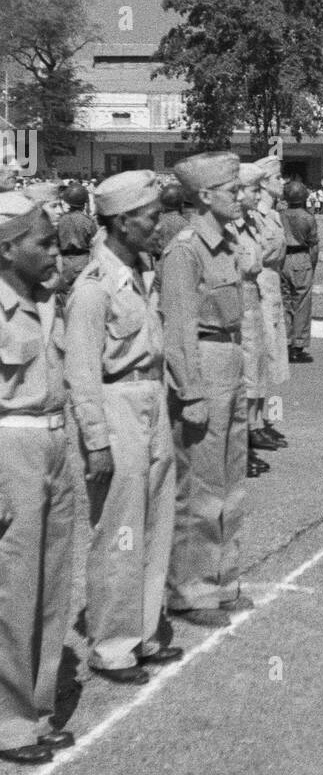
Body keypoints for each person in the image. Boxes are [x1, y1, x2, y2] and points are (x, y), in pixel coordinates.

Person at [64, 171, 181, 684]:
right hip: (115, 404)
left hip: (151, 398)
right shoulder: (92, 289)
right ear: (121, 220)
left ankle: (146, 631)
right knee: (121, 531)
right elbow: (82, 374)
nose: (158, 226)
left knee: (156, 523)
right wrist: (95, 441)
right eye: (150, 217)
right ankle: (112, 645)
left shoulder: (143, 274)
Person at [0, 192, 75, 764]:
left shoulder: (48, 299)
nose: (55, 250)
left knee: (50, 585)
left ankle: (36, 707)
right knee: (12, 589)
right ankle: (8, 721)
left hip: (53, 438)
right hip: (11, 446)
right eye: (43, 243)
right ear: (7, 249)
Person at [161, 152, 250, 627]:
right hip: (203, 364)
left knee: (231, 480)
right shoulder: (185, 249)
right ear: (204, 196)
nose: (240, 196)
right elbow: (177, 329)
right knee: (199, 485)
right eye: (232, 190)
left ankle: (223, 581)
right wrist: (190, 392)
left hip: (230, 358)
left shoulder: (227, 242)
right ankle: (189, 592)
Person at [234, 163, 273, 476]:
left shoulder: (248, 223)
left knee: (255, 367)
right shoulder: (231, 228)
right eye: (254, 189)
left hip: (252, 298)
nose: (259, 195)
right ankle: (239, 447)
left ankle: (250, 432)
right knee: (242, 373)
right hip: (237, 301)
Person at [253, 156, 290, 447]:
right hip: (259, 288)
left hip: (274, 285)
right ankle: (253, 423)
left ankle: (263, 419)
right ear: (264, 182)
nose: (283, 182)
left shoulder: (275, 215)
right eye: (278, 178)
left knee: (272, 356)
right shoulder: (255, 216)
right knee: (258, 357)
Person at [280, 179, 318, 364]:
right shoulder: (308, 218)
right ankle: (298, 345)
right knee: (301, 303)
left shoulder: (279, 215)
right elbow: (314, 245)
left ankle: (286, 342)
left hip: (282, 258)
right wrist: (312, 266)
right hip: (301, 257)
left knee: (285, 302)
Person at [55, 181, 97, 309]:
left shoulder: (61, 220)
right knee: (83, 298)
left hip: (65, 262)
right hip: (83, 261)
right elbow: (94, 243)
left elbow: (56, 242)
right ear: (84, 202)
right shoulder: (88, 221)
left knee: (66, 298)